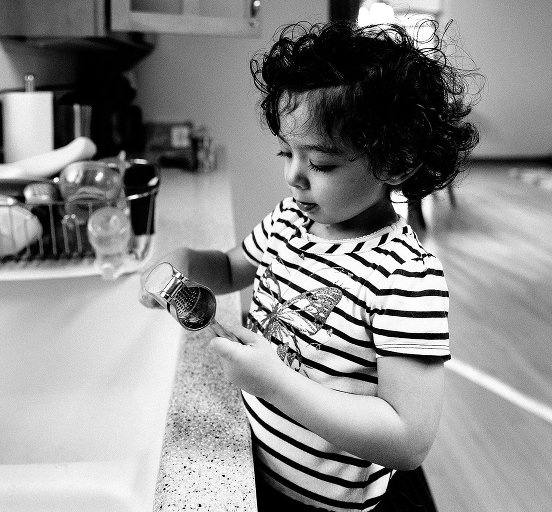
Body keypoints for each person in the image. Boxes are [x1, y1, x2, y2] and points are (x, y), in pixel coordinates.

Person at [139, 20, 479, 512]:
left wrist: (276, 382)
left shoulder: (405, 275)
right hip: (259, 465)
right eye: (287, 152)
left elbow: (408, 440)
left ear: (397, 162)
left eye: (321, 164)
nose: (293, 176)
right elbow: (231, 268)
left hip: (328, 504)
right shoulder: (290, 219)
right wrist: (187, 260)